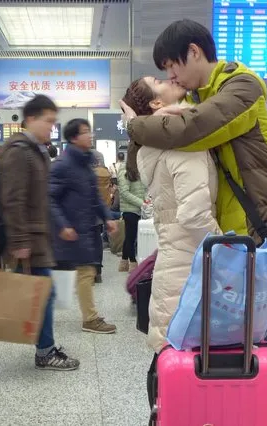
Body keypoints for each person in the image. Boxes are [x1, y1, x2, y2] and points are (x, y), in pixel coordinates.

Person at [121, 19, 267, 241]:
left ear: (193, 51)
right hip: (220, 227)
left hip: (253, 224)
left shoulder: (243, 86)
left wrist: (134, 124)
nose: (170, 75)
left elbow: (191, 129)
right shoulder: (194, 98)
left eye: (171, 65)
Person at [122, 76, 221, 408]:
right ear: (155, 104)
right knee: (188, 355)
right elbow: (194, 214)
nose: (169, 78)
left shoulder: (153, 142)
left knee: (170, 351)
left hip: (173, 257)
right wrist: (227, 247)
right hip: (192, 262)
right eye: (158, 80)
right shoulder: (178, 136)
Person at [0, 95, 80, 371]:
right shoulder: (20, 151)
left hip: (36, 236)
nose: (52, 127)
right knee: (38, 294)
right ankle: (44, 352)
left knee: (29, 295)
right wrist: (19, 241)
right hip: (27, 239)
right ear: (30, 119)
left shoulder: (35, 150)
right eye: (48, 121)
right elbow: (13, 199)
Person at [50, 118, 118, 334]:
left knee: (85, 272)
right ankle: (89, 318)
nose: (90, 136)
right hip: (69, 231)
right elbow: (49, 199)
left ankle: (90, 318)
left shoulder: (85, 163)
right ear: (73, 138)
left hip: (83, 228)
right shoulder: (62, 165)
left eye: (90, 132)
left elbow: (95, 196)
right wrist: (63, 225)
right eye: (85, 132)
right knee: (59, 276)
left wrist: (107, 217)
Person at [117, 151, 146, 273]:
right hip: (130, 210)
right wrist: (141, 202)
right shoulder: (125, 172)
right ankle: (133, 263)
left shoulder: (137, 170)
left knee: (130, 236)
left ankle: (123, 263)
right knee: (131, 237)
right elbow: (124, 192)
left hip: (137, 208)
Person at [91, 150, 111, 283]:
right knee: (97, 240)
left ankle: (89, 272)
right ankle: (98, 272)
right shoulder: (104, 171)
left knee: (87, 241)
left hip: (86, 211)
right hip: (99, 210)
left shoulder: (85, 171)